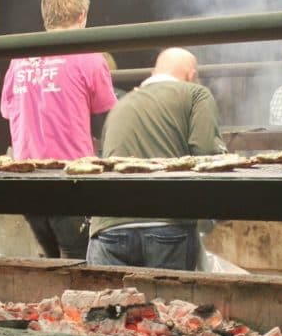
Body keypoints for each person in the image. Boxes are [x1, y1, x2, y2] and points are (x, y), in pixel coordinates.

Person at [0, 0, 118, 259]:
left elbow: (8, 112)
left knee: (52, 266)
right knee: (79, 267)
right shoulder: (88, 55)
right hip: (71, 182)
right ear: (82, 16)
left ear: (47, 17)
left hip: (27, 183)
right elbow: (109, 121)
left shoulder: (19, 60)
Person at [87, 48, 226, 270]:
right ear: (191, 75)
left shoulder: (121, 104)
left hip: (108, 229)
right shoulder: (196, 94)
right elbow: (208, 156)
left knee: (110, 305)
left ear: (153, 73)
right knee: (170, 305)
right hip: (166, 225)